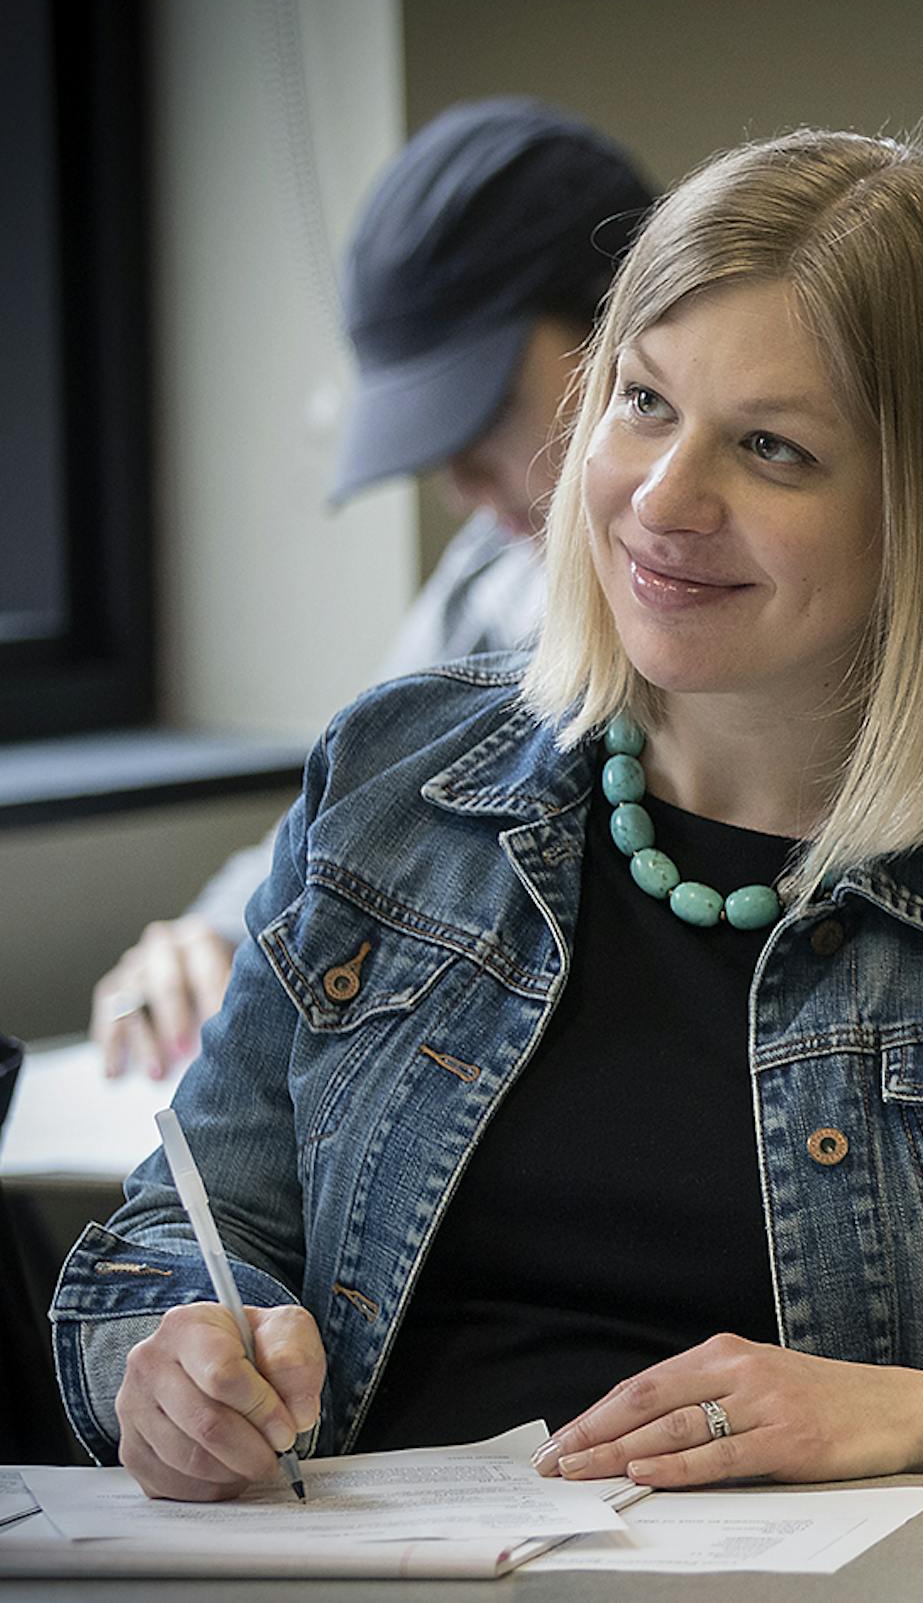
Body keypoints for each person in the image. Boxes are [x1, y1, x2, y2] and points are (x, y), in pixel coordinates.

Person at [49, 130, 923, 1602]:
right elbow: (184, 1230)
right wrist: (169, 1359)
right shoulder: (395, 782)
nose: (663, 496)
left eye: (772, 446)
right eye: (644, 401)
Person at [87, 98, 653, 1081]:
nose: (463, 488)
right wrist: (214, 935)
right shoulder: (493, 579)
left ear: (631, 331)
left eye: (483, 418)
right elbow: (347, 802)